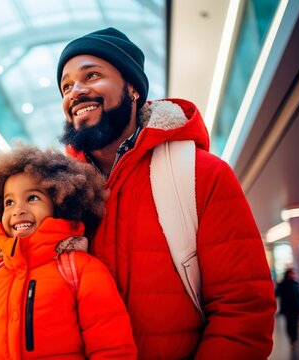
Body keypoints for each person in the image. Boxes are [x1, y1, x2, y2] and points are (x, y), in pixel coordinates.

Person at [56, 27, 276, 359]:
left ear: (132, 87)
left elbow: (243, 309)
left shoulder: (202, 175)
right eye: (67, 85)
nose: (77, 91)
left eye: (92, 75)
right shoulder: (56, 192)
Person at [0, 146, 137, 359]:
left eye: (32, 198)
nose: (17, 209)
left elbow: (112, 348)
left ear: (59, 203)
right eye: (9, 202)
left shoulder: (81, 271)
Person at [276, 268, 299, 349]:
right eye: (291, 274)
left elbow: (298, 297)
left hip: (295, 308)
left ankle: (293, 340)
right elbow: (276, 293)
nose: (293, 275)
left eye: (293, 274)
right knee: (289, 325)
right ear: (287, 275)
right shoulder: (283, 285)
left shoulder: (295, 284)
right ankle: (291, 338)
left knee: (294, 325)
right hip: (287, 309)